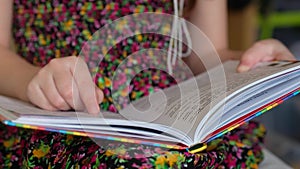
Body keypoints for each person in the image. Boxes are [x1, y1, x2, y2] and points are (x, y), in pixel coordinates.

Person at [0, 0, 295, 168]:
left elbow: (206, 55)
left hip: (175, 118)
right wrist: (31, 81)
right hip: (66, 120)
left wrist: (253, 62)